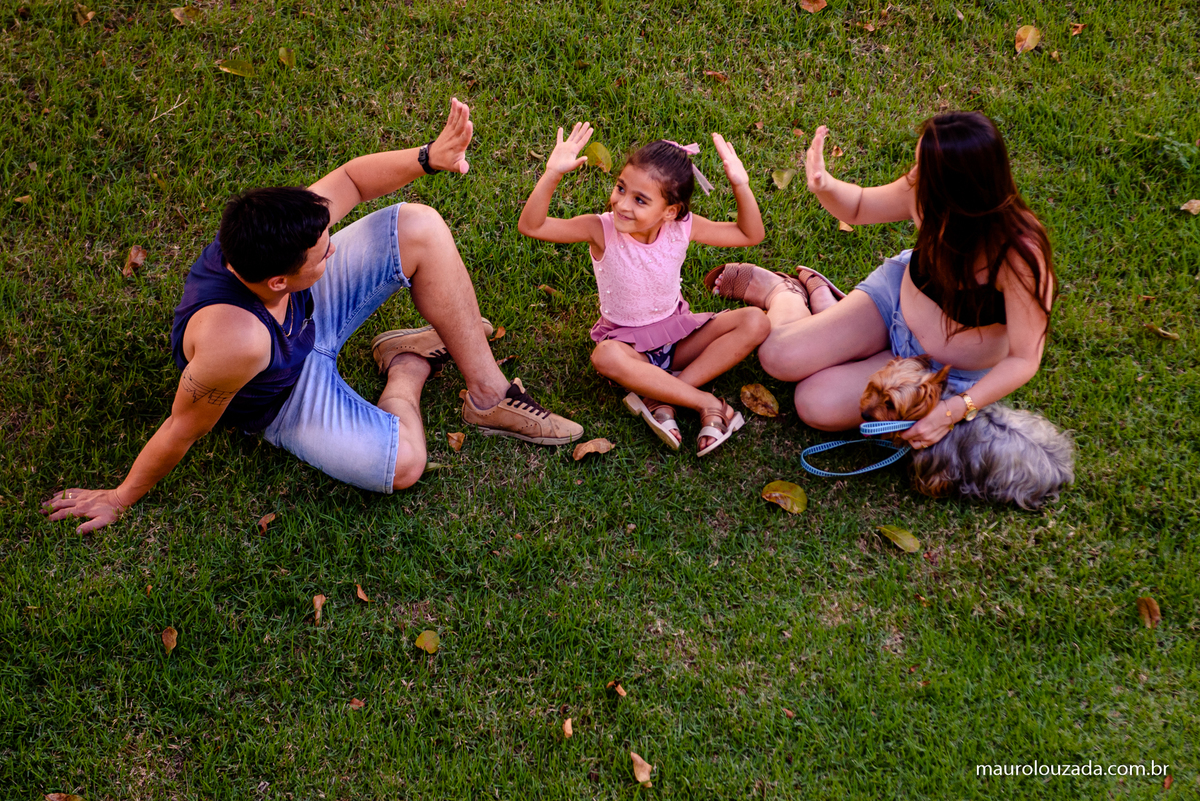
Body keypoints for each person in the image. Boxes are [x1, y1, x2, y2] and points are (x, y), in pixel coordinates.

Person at [43, 98, 582, 534]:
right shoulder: (236, 342)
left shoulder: (277, 231)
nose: (334, 247)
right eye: (324, 251)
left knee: (417, 225)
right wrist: (119, 497)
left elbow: (350, 181)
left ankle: (488, 395)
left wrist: (427, 157)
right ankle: (406, 369)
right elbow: (181, 428)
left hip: (307, 313)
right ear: (277, 280)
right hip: (290, 392)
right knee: (406, 466)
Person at [707, 111, 1055, 451]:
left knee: (814, 405)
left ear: (959, 187)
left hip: (940, 373)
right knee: (776, 356)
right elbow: (858, 207)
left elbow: (1024, 359)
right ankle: (785, 294)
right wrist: (824, 185)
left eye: (925, 168)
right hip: (893, 305)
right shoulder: (924, 191)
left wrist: (952, 410)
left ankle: (829, 308)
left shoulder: (1020, 254)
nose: (914, 174)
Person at [518, 123, 770, 455]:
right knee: (605, 357)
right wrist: (552, 173)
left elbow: (750, 234)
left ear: (670, 211)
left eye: (640, 200)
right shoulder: (601, 229)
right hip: (628, 346)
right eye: (621, 188)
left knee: (756, 321)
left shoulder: (682, 228)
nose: (622, 204)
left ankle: (660, 395)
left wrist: (741, 184)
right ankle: (705, 402)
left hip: (679, 338)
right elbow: (531, 226)